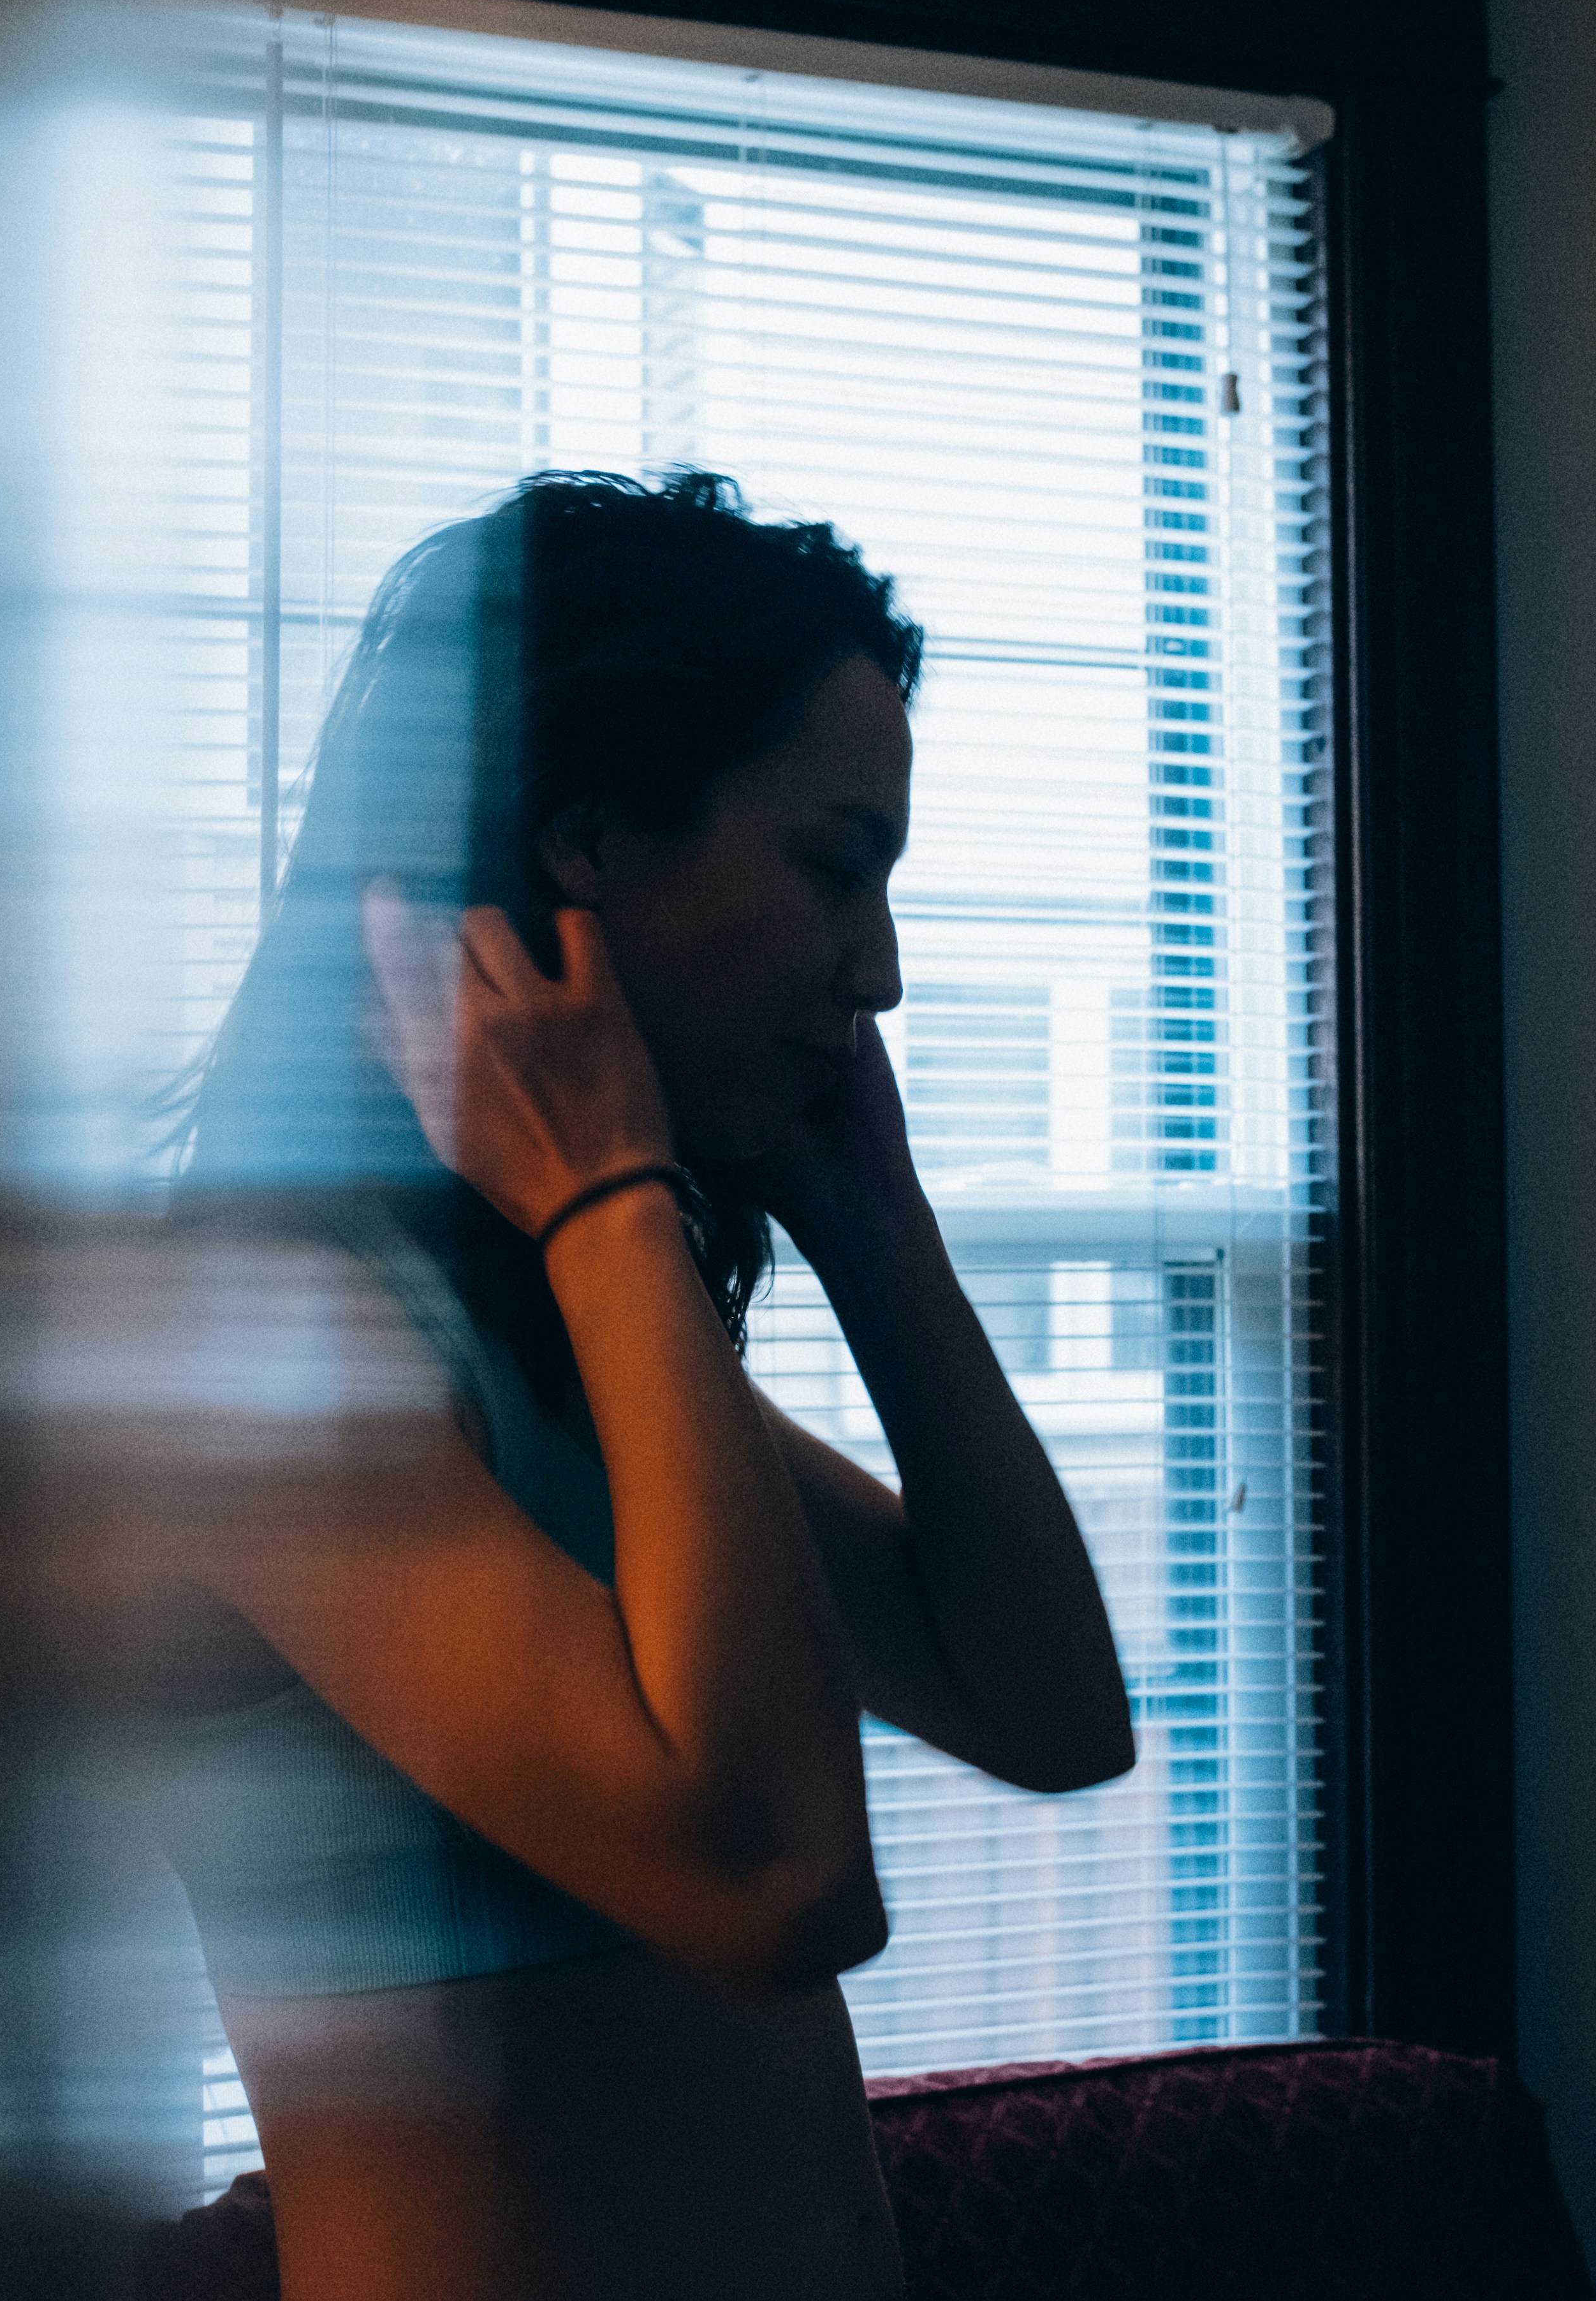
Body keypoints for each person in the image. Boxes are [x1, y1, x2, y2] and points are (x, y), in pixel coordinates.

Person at [149, 470, 1136, 2300]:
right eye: (835, 867)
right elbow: (771, 1881)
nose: (885, 971)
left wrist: (873, 1225)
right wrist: (611, 1198)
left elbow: (1052, 1706)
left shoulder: (564, 1342)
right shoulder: (262, 1341)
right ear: (590, 835)